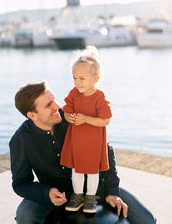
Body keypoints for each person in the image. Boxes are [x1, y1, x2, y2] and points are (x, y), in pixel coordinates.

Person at [9, 81, 156, 224]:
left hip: (96, 188)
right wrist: (46, 193)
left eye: (53, 100)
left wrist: (112, 191)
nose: (57, 106)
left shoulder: (73, 117)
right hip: (57, 194)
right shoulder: (20, 141)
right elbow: (21, 183)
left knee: (147, 220)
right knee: (24, 216)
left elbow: (105, 150)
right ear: (32, 115)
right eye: (48, 105)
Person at [60, 47, 112, 213]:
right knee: (76, 169)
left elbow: (105, 120)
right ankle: (78, 195)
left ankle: (90, 197)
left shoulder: (99, 97)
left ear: (95, 78)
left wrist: (85, 119)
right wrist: (70, 117)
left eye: (82, 78)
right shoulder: (74, 93)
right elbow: (66, 110)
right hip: (76, 140)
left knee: (91, 170)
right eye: (74, 78)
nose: (77, 82)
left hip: (93, 141)